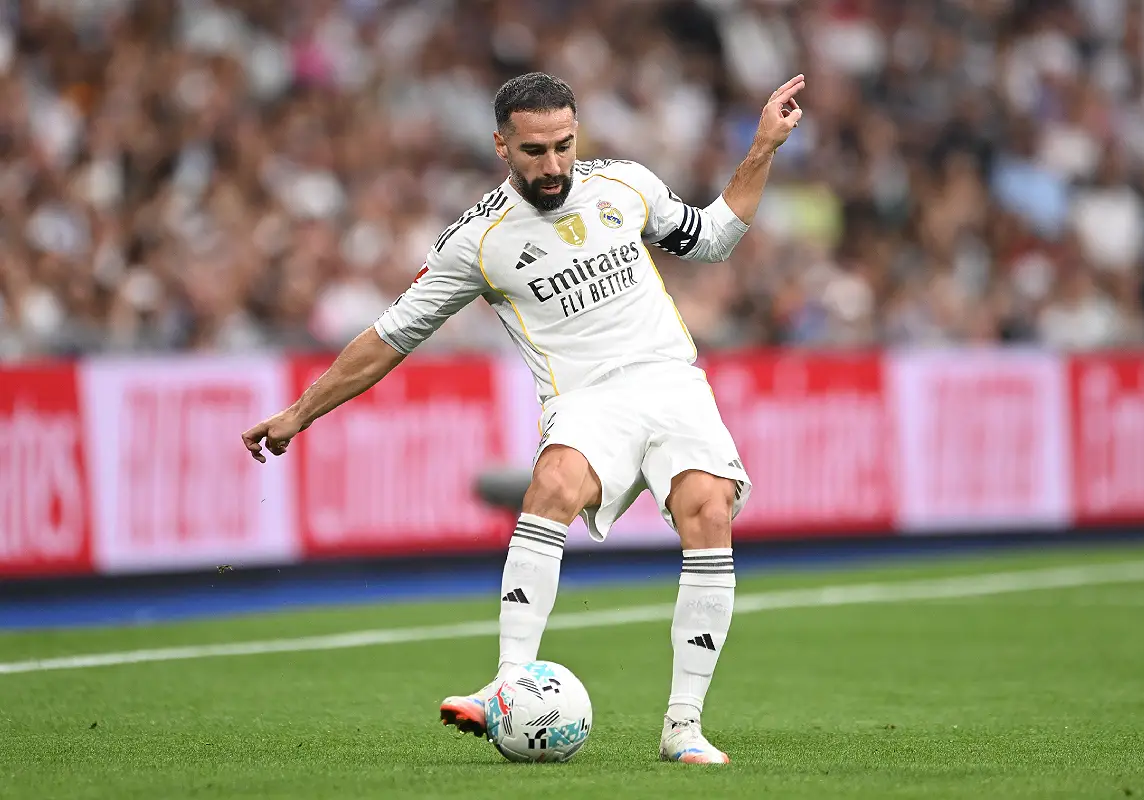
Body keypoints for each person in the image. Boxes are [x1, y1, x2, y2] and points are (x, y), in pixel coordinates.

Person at [241, 71, 805, 764]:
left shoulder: (626, 184)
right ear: (501, 146)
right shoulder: (477, 240)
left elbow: (713, 237)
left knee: (709, 510)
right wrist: (300, 412)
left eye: (565, 145)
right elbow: (392, 335)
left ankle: (683, 727)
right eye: (535, 151)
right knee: (555, 484)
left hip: (670, 380)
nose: (554, 165)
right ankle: (507, 686)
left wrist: (763, 147)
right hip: (586, 398)